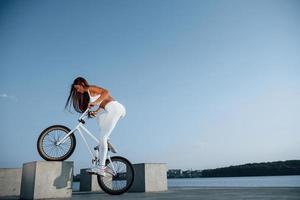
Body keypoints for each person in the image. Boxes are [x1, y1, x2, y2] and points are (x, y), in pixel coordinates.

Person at [64, 77, 126, 176]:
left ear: (82, 84)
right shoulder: (89, 94)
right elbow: (103, 102)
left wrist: (95, 103)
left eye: (77, 87)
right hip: (112, 109)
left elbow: (106, 92)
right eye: (75, 89)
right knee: (99, 117)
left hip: (115, 108)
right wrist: (95, 111)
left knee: (103, 137)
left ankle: (101, 168)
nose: (77, 90)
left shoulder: (91, 88)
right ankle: (106, 141)